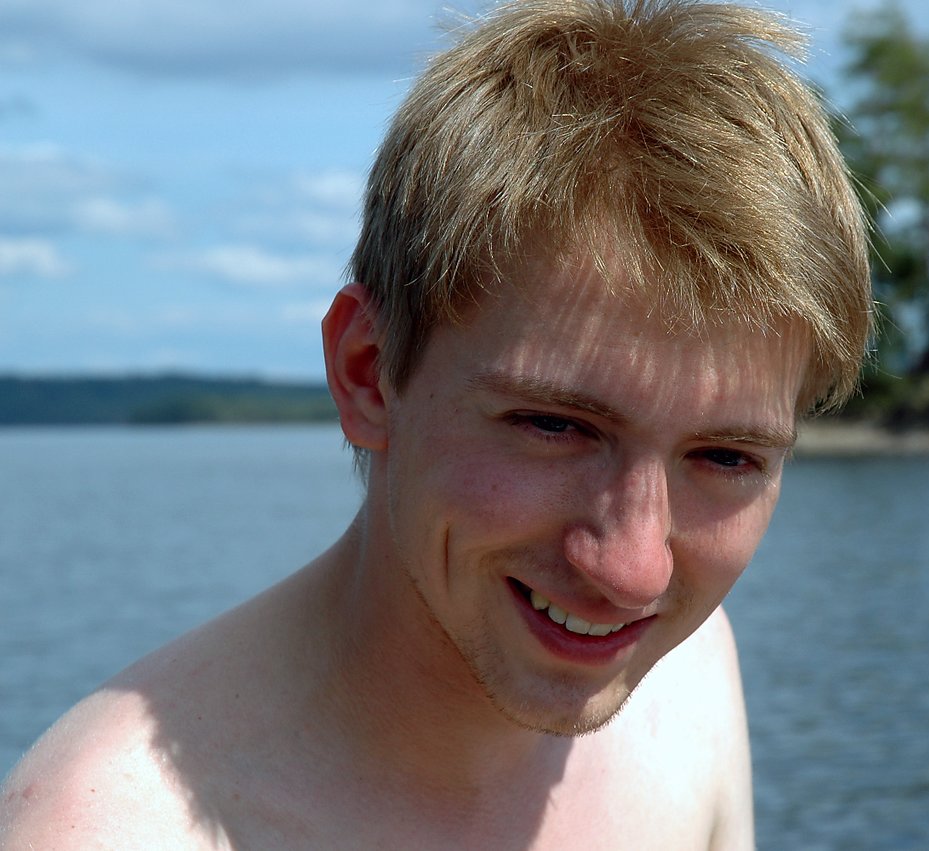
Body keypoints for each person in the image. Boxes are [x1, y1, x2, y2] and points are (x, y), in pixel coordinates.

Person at [1, 0, 872, 846]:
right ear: (368, 374)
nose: (635, 571)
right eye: (555, 425)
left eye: (726, 455)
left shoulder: (685, 680)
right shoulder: (112, 828)